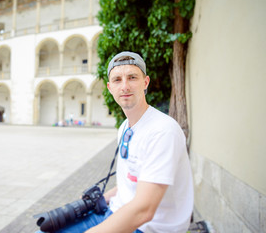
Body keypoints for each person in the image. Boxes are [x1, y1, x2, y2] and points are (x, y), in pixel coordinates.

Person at [37, 51, 194, 233]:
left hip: (148, 228)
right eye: (117, 80)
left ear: (145, 83)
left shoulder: (163, 131)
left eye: (132, 77)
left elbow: (144, 211)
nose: (125, 86)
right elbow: (132, 183)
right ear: (110, 88)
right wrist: (102, 198)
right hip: (115, 211)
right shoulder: (125, 127)